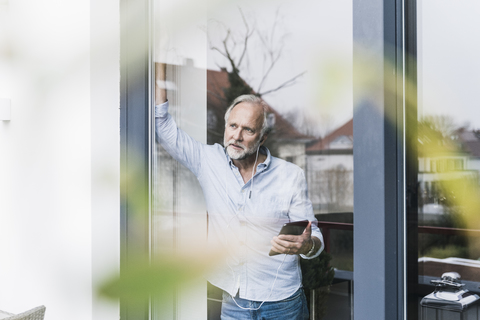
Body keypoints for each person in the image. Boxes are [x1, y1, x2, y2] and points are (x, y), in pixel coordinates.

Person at [155, 63, 323, 320]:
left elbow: (315, 239)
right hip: (234, 301)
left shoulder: (290, 175)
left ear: (262, 138)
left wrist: (307, 244)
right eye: (232, 126)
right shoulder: (207, 161)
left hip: (282, 303)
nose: (237, 136)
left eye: (248, 130)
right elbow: (164, 127)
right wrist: (160, 67)